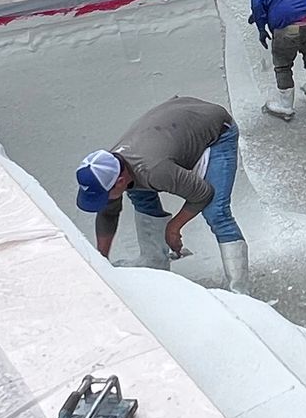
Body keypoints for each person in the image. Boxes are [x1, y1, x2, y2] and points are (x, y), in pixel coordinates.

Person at [74, 96, 247, 293]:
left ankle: (240, 292)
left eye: (104, 196)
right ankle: (154, 261)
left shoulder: (154, 170)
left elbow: (202, 193)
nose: (104, 201)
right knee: (138, 190)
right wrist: (102, 263)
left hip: (218, 131)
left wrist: (173, 227)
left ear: (119, 181)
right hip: (178, 124)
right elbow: (108, 213)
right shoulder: (111, 166)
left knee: (216, 212)